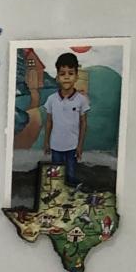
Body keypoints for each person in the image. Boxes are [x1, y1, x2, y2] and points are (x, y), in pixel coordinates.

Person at [43, 51, 90, 187]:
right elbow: (49, 122)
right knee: (56, 176)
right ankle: (57, 195)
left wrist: (80, 145)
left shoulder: (81, 100)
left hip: (72, 147)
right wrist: (46, 142)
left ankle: (71, 192)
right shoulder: (51, 99)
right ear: (57, 77)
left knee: (70, 175)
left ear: (76, 76)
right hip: (56, 146)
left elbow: (83, 123)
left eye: (71, 73)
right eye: (62, 74)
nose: (67, 77)